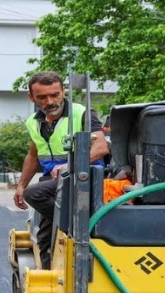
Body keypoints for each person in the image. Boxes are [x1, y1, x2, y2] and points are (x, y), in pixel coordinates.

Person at [13, 72, 109, 268]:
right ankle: (51, 284)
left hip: (82, 177)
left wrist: (70, 165)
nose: (50, 101)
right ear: (32, 97)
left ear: (63, 91)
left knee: (35, 194)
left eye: (55, 94)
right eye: (42, 97)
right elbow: (33, 156)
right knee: (45, 240)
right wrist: (21, 185)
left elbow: (101, 148)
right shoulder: (34, 122)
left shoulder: (81, 113)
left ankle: (73, 225)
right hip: (53, 182)